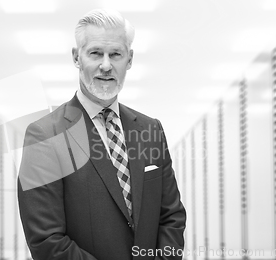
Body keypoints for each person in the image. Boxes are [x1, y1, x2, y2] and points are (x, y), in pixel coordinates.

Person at [17, 9, 186, 260]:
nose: (106, 66)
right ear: (77, 57)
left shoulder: (150, 130)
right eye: (95, 53)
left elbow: (171, 216)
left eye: (115, 54)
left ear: (129, 60)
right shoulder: (44, 135)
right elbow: (46, 241)